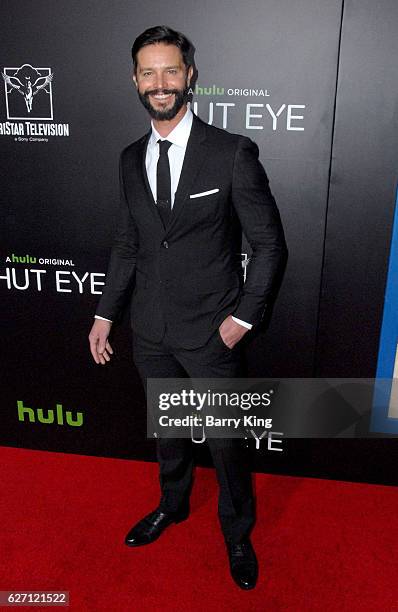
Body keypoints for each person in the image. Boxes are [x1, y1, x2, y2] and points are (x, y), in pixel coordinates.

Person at [89, 25, 287, 590]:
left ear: (190, 76)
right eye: (148, 72)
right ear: (135, 80)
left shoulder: (230, 153)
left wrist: (244, 317)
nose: (160, 83)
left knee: (226, 444)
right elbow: (128, 243)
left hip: (212, 332)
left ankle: (236, 532)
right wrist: (106, 314)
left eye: (170, 70)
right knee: (170, 433)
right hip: (150, 330)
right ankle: (172, 506)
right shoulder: (130, 159)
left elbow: (269, 244)